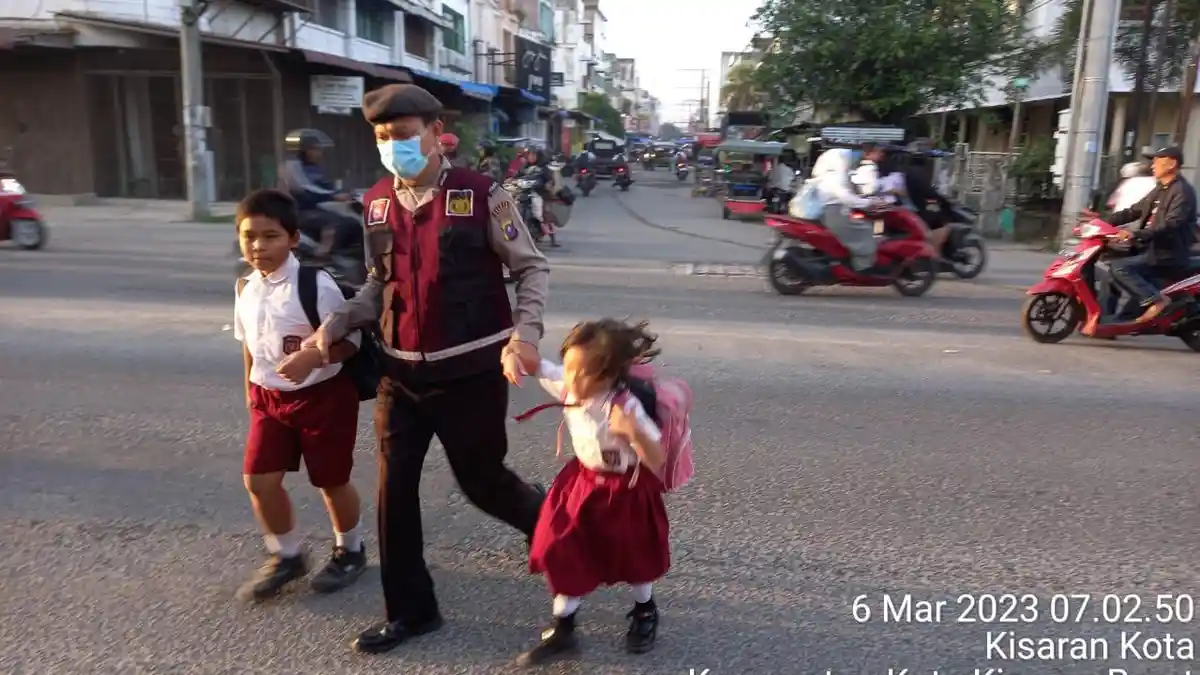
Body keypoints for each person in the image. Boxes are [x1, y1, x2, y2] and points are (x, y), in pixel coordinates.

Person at [301, 83, 551, 654]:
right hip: (399, 376)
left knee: (483, 482)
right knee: (394, 493)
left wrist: (526, 335)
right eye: (384, 138)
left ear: (437, 134)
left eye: (404, 135)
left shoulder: (483, 194)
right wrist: (340, 321)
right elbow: (377, 283)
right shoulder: (376, 203)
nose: (394, 146)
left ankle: (555, 529)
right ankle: (412, 612)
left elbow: (531, 269)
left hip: (470, 373)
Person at [232, 189, 365, 602]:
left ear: (292, 239)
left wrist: (316, 356)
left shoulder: (314, 285)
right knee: (258, 480)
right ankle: (287, 555)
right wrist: (250, 391)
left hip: (322, 397)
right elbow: (248, 346)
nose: (258, 245)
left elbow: (354, 340)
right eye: (249, 236)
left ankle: (351, 550)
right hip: (269, 399)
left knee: (331, 480)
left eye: (270, 236)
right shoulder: (244, 287)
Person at [517, 319, 671, 666]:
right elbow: (535, 363)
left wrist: (633, 433)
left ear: (608, 375)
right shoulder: (570, 386)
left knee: (633, 553)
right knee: (562, 547)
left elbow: (658, 458)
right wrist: (513, 353)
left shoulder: (626, 407)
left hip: (626, 489)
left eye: (581, 372)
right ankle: (564, 628)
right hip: (583, 483)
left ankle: (645, 610)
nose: (570, 379)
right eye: (568, 367)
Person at [1089, 146, 1198, 327]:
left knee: (1120, 268)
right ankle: (1107, 322)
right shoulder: (1161, 188)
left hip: (1167, 252)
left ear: (1171, 164)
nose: (1152, 165)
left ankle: (1157, 300)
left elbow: (1171, 224)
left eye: (1156, 161)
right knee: (1110, 273)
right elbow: (1134, 211)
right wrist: (1101, 221)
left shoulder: (1182, 191)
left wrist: (1135, 233)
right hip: (1150, 248)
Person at [791, 147, 889, 270]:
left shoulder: (831, 175)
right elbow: (846, 197)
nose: (852, 159)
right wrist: (869, 203)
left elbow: (852, 193)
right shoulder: (834, 177)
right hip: (835, 212)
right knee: (865, 232)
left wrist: (867, 201)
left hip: (836, 211)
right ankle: (862, 267)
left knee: (863, 227)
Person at [278, 129, 360, 256]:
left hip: (312, 209)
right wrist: (333, 196)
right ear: (304, 150)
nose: (319, 153)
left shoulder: (312, 167)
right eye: (315, 149)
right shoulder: (292, 166)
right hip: (296, 212)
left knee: (353, 223)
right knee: (334, 224)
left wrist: (347, 192)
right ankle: (322, 256)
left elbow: (324, 185)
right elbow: (305, 189)